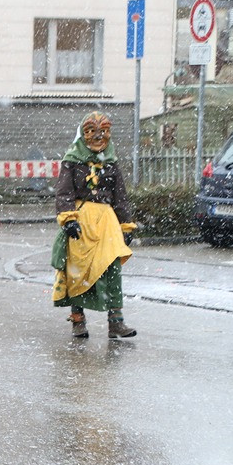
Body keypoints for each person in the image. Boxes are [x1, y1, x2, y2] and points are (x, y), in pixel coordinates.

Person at [52, 111, 138, 339]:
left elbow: (120, 196)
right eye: (92, 131)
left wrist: (126, 224)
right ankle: (78, 321)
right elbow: (63, 192)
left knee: (112, 270)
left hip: (107, 224)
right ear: (83, 134)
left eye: (104, 131)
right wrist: (68, 218)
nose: (99, 137)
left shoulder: (111, 161)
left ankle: (116, 323)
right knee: (78, 271)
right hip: (81, 222)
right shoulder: (71, 161)